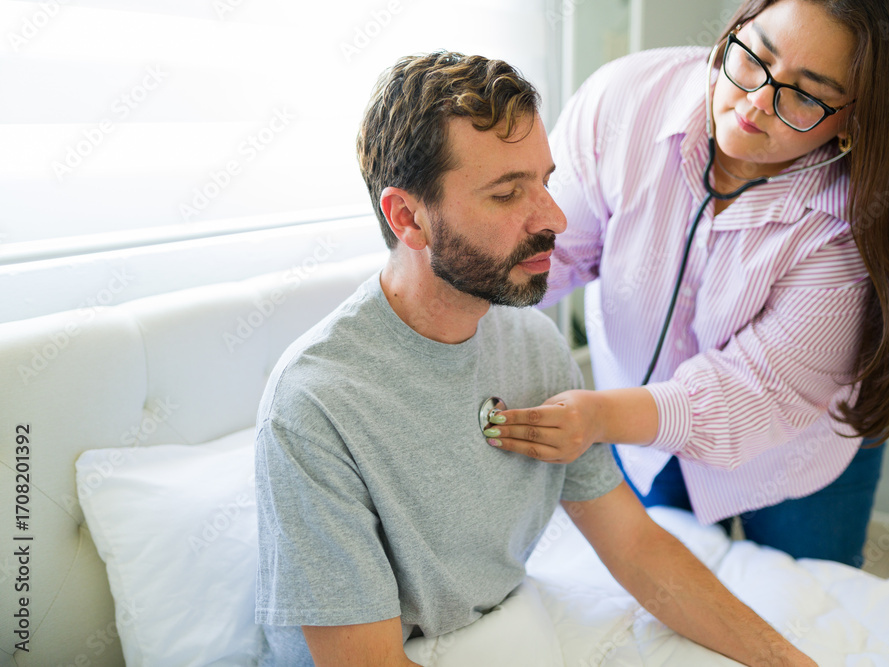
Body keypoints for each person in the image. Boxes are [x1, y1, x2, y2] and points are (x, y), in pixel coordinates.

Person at [254, 51, 816, 666]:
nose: (554, 218)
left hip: (497, 626)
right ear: (407, 218)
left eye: (545, 180)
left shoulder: (531, 343)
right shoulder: (315, 405)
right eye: (506, 194)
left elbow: (632, 544)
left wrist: (788, 662)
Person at [483, 0, 889, 567]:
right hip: (644, 436)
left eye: (805, 93)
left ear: (856, 115)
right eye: (756, 56)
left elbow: (748, 394)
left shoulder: (855, 223)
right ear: (739, 25)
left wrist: (598, 418)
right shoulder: (627, 99)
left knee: (801, 613)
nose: (755, 102)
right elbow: (551, 251)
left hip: (794, 453)